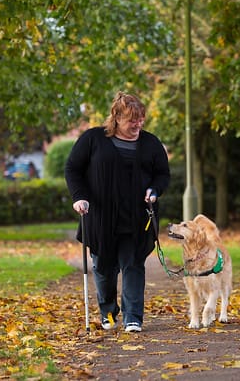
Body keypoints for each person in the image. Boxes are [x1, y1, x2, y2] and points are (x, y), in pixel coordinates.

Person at [65, 91, 170, 333]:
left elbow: (162, 174)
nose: (138, 124)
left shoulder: (150, 143)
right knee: (103, 267)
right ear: (116, 117)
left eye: (141, 119)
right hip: (101, 217)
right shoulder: (93, 139)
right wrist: (79, 197)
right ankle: (109, 315)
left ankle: (133, 317)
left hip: (136, 217)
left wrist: (154, 190)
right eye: (132, 120)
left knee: (133, 264)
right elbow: (73, 168)